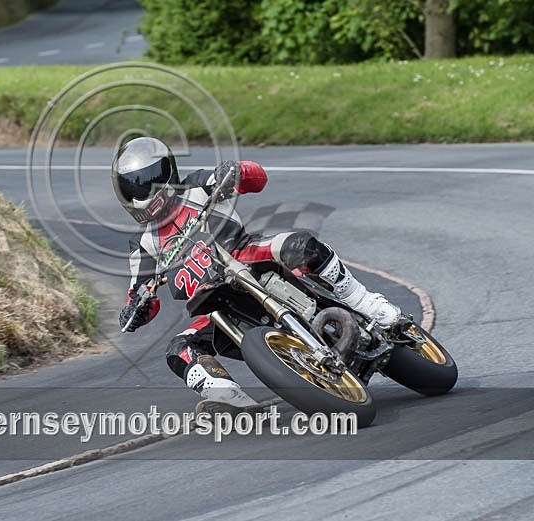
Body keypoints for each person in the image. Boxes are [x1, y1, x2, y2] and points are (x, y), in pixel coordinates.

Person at [111, 137, 401, 415]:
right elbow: (139, 294)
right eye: (132, 187)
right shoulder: (145, 246)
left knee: (301, 245)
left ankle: (365, 302)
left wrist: (235, 171)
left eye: (147, 181)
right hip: (215, 306)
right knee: (178, 349)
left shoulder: (197, 186)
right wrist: (135, 312)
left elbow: (256, 178)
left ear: (166, 172)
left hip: (247, 258)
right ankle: (227, 397)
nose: (142, 193)